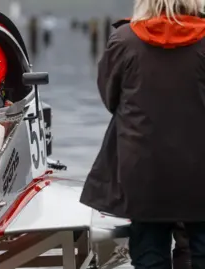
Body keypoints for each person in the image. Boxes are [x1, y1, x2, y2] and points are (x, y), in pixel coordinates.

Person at [79, 0, 205, 268]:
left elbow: (110, 98)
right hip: (200, 171)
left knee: (149, 254)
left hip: (143, 170)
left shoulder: (124, 40)